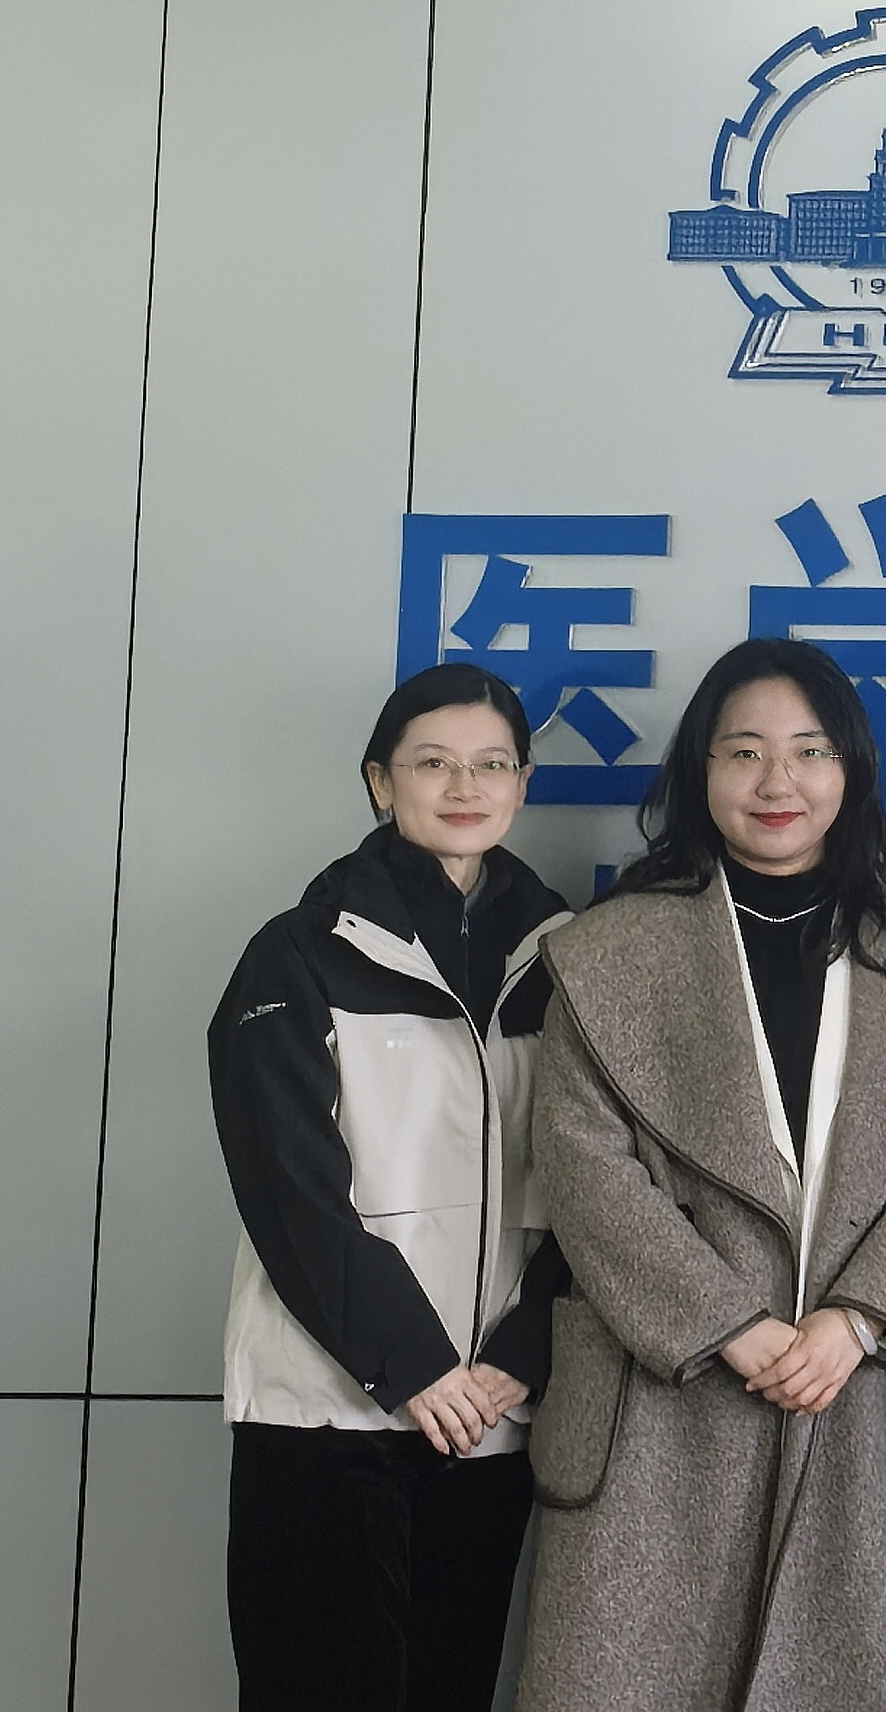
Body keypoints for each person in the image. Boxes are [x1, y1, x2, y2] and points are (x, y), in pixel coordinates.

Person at [512, 639, 886, 1712]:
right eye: (743, 751)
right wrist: (726, 1321)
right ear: (699, 769)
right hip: (659, 1404)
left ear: (853, 767)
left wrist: (858, 1318)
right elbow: (584, 1165)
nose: (776, 780)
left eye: (809, 750)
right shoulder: (607, 949)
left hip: (849, 1393)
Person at [210, 661, 576, 1712]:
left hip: (489, 1414)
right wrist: (413, 1362)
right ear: (380, 780)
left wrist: (520, 1356)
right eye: (432, 763)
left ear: (522, 783)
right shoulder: (297, 953)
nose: (466, 786)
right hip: (326, 1413)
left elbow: (600, 1183)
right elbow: (290, 1189)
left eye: (492, 763)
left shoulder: (568, 962)